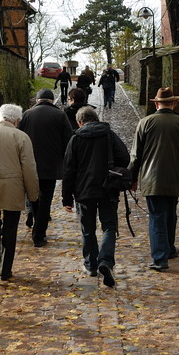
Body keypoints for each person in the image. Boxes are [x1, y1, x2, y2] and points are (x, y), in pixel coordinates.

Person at [130, 87, 179, 271]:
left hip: (152, 179)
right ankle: (168, 249)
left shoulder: (145, 123)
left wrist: (132, 178)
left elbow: (136, 155)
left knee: (157, 216)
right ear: (174, 103)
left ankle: (160, 258)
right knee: (170, 214)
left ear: (155, 103)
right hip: (174, 178)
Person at [62, 106, 130, 287]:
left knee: (88, 229)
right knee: (109, 226)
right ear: (96, 118)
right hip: (108, 188)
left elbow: (69, 170)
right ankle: (106, 261)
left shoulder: (76, 139)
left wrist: (66, 198)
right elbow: (125, 157)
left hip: (84, 190)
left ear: (80, 122)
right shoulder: (109, 134)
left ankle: (91, 264)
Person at [0, 104, 40, 281]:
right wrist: (33, 195)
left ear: (0, 116)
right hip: (13, 186)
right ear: (17, 120)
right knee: (10, 228)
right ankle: (6, 269)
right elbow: (29, 168)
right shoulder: (21, 137)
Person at [18, 89, 73, 247]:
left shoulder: (26, 115)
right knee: (45, 200)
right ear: (51, 100)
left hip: (29, 165)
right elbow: (68, 141)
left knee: (33, 197)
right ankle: (39, 234)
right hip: (51, 166)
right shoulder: (60, 115)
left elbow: (19, 138)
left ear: (37, 100)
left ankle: (33, 217)